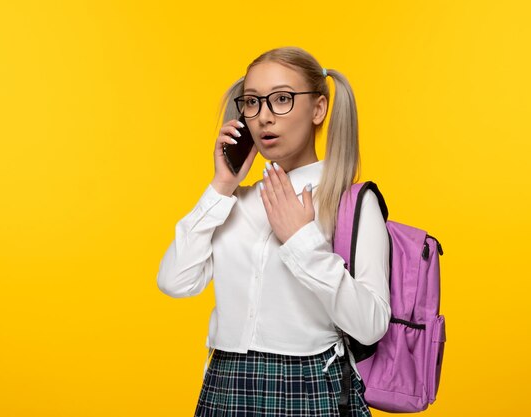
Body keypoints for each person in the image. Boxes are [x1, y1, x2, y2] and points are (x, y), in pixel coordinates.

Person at [157, 46, 391, 417]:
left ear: (318, 109)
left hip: (310, 386)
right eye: (252, 102)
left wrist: (303, 243)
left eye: (282, 99)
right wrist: (221, 185)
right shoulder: (234, 204)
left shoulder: (351, 203)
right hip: (226, 383)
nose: (264, 117)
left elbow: (371, 325)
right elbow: (175, 281)